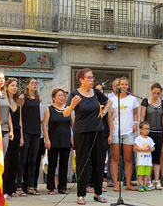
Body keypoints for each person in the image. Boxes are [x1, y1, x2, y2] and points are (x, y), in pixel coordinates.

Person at [64, 68, 111, 205]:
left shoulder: (96, 93)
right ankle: (81, 194)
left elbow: (109, 102)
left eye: (92, 77)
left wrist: (104, 112)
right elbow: (66, 113)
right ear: (81, 80)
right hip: (82, 132)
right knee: (82, 163)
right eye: (89, 78)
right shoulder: (74, 94)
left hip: (98, 131)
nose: (92, 80)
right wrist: (72, 105)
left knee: (99, 161)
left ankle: (98, 193)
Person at [110, 77, 139, 191]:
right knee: (115, 158)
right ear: (118, 86)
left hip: (128, 132)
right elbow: (110, 118)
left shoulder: (132, 99)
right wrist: (110, 133)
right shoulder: (112, 100)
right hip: (116, 131)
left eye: (126, 84)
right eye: (122, 84)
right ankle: (116, 184)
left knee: (128, 158)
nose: (124, 86)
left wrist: (135, 123)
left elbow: (135, 112)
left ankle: (128, 183)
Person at [43, 88, 73, 195]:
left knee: (64, 164)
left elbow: (73, 125)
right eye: (59, 95)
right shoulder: (49, 109)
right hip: (53, 140)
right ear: (54, 97)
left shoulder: (68, 109)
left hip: (65, 140)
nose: (62, 97)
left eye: (63, 95)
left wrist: (74, 138)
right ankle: (51, 187)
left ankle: (62, 187)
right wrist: (47, 139)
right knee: (52, 164)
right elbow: (45, 125)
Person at [17, 77, 42, 195]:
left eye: (36, 83)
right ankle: (19, 186)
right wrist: (21, 134)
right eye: (32, 83)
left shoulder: (38, 98)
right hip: (26, 131)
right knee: (23, 159)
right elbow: (20, 117)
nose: (34, 85)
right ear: (27, 85)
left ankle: (32, 186)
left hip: (36, 132)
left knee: (33, 160)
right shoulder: (22, 98)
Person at [140, 83, 163, 190]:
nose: (156, 95)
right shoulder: (146, 101)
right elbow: (142, 117)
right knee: (148, 157)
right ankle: (148, 180)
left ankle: (156, 180)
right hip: (149, 132)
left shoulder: (162, 103)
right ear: (151, 91)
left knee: (157, 156)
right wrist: (142, 131)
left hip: (159, 131)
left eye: (158, 93)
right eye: (154, 93)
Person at [3, 78, 25, 199]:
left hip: (16, 133)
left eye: (16, 86)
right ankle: (4, 190)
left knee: (14, 162)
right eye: (12, 85)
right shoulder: (3, 100)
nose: (15, 88)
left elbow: (20, 120)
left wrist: (21, 136)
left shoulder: (18, 101)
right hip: (6, 133)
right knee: (6, 161)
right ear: (6, 87)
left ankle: (11, 190)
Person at [134, 121, 155, 192]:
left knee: (146, 173)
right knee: (140, 173)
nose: (147, 131)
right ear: (140, 129)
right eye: (145, 129)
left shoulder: (149, 139)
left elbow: (153, 147)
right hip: (141, 160)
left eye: (148, 129)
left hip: (148, 160)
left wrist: (151, 149)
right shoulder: (138, 139)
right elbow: (135, 148)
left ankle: (146, 184)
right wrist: (142, 149)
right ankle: (140, 184)